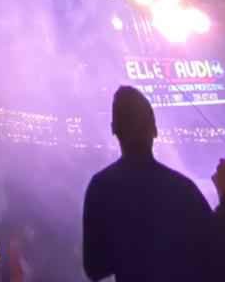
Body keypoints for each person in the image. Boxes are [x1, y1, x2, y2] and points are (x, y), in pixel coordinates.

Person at [82, 85, 213, 281]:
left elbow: (95, 268)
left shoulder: (101, 187)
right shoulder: (184, 188)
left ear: (114, 129)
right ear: (154, 129)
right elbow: (214, 251)